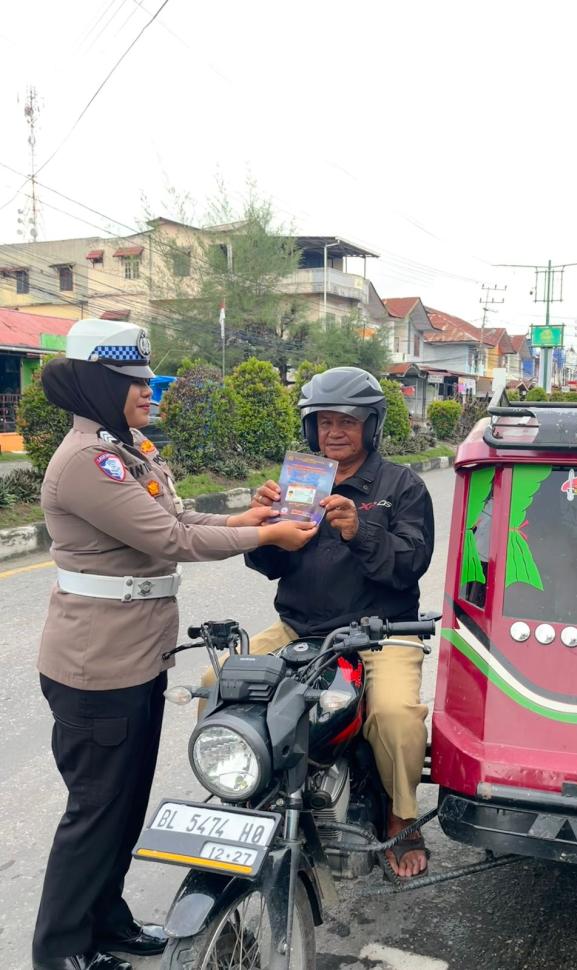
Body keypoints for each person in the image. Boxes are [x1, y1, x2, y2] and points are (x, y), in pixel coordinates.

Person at [32, 319, 316, 970]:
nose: (146, 390)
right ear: (97, 385)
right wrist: (265, 536)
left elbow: (179, 516)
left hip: (135, 657)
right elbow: (172, 541)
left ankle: (107, 922)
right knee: (96, 809)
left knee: (124, 804)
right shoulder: (87, 463)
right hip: (96, 666)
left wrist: (243, 518)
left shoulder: (127, 448)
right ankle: (60, 950)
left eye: (145, 379)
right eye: (131, 381)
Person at [203, 366, 435, 878]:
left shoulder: (402, 485)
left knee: (396, 717)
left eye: (347, 422)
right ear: (311, 428)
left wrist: (360, 530)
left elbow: (412, 563)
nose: (334, 432)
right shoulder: (300, 482)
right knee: (217, 683)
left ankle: (401, 817)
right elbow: (270, 567)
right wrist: (264, 527)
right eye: (324, 422)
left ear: (371, 426)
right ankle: (242, 786)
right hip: (300, 629)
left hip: (382, 633)